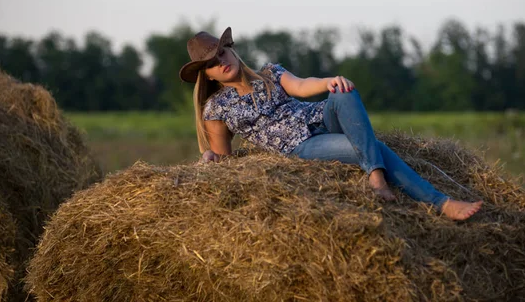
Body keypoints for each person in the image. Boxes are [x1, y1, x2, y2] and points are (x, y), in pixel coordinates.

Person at [179, 27, 482, 220]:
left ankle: (375, 175)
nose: (221, 61)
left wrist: (329, 81)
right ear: (207, 75)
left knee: (345, 93)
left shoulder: (270, 73)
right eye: (212, 63)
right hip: (300, 146)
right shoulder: (216, 109)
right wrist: (209, 158)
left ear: (232, 49)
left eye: (222, 52)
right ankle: (438, 202)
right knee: (372, 146)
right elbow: (224, 158)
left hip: (319, 116)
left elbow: (301, 86)